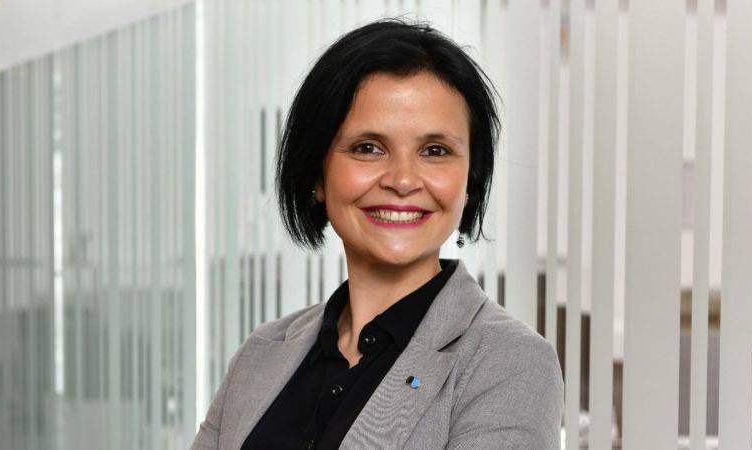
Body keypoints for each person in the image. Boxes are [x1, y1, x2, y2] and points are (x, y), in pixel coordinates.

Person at [191, 17, 563, 450]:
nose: (402, 180)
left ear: (470, 182)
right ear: (317, 174)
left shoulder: (509, 362)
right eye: (368, 148)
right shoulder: (261, 353)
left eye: (435, 151)